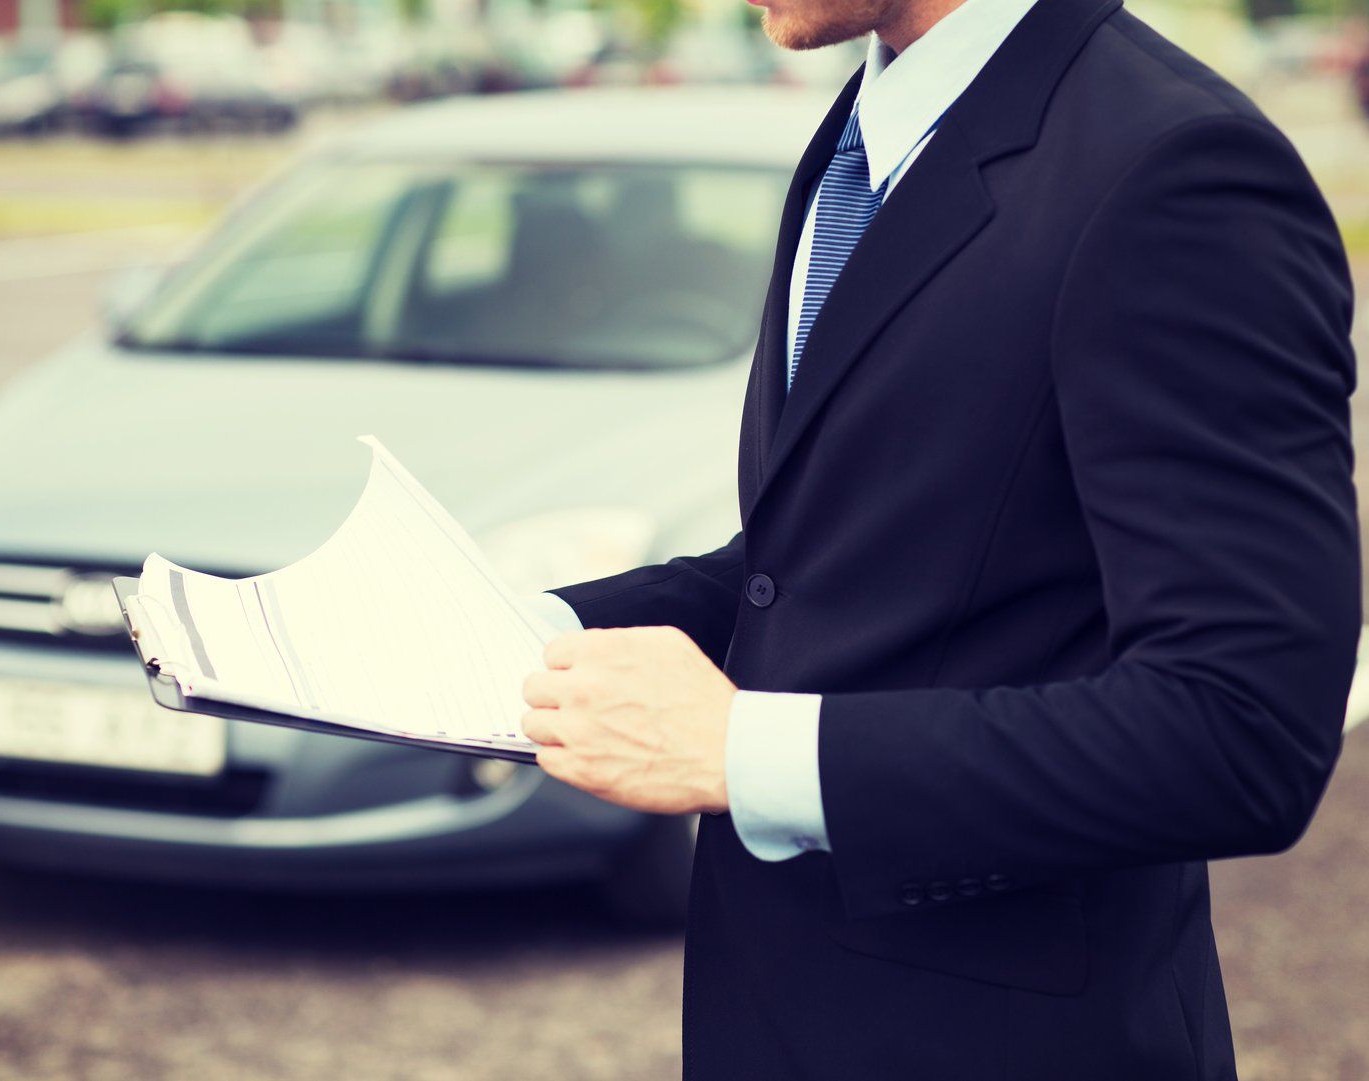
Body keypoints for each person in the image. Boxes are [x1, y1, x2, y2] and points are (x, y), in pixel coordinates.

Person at [517, 0, 1360, 1074]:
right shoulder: (861, 130)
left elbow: (1243, 731)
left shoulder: (1178, 169)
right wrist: (513, 628)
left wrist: (739, 750)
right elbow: (826, 556)